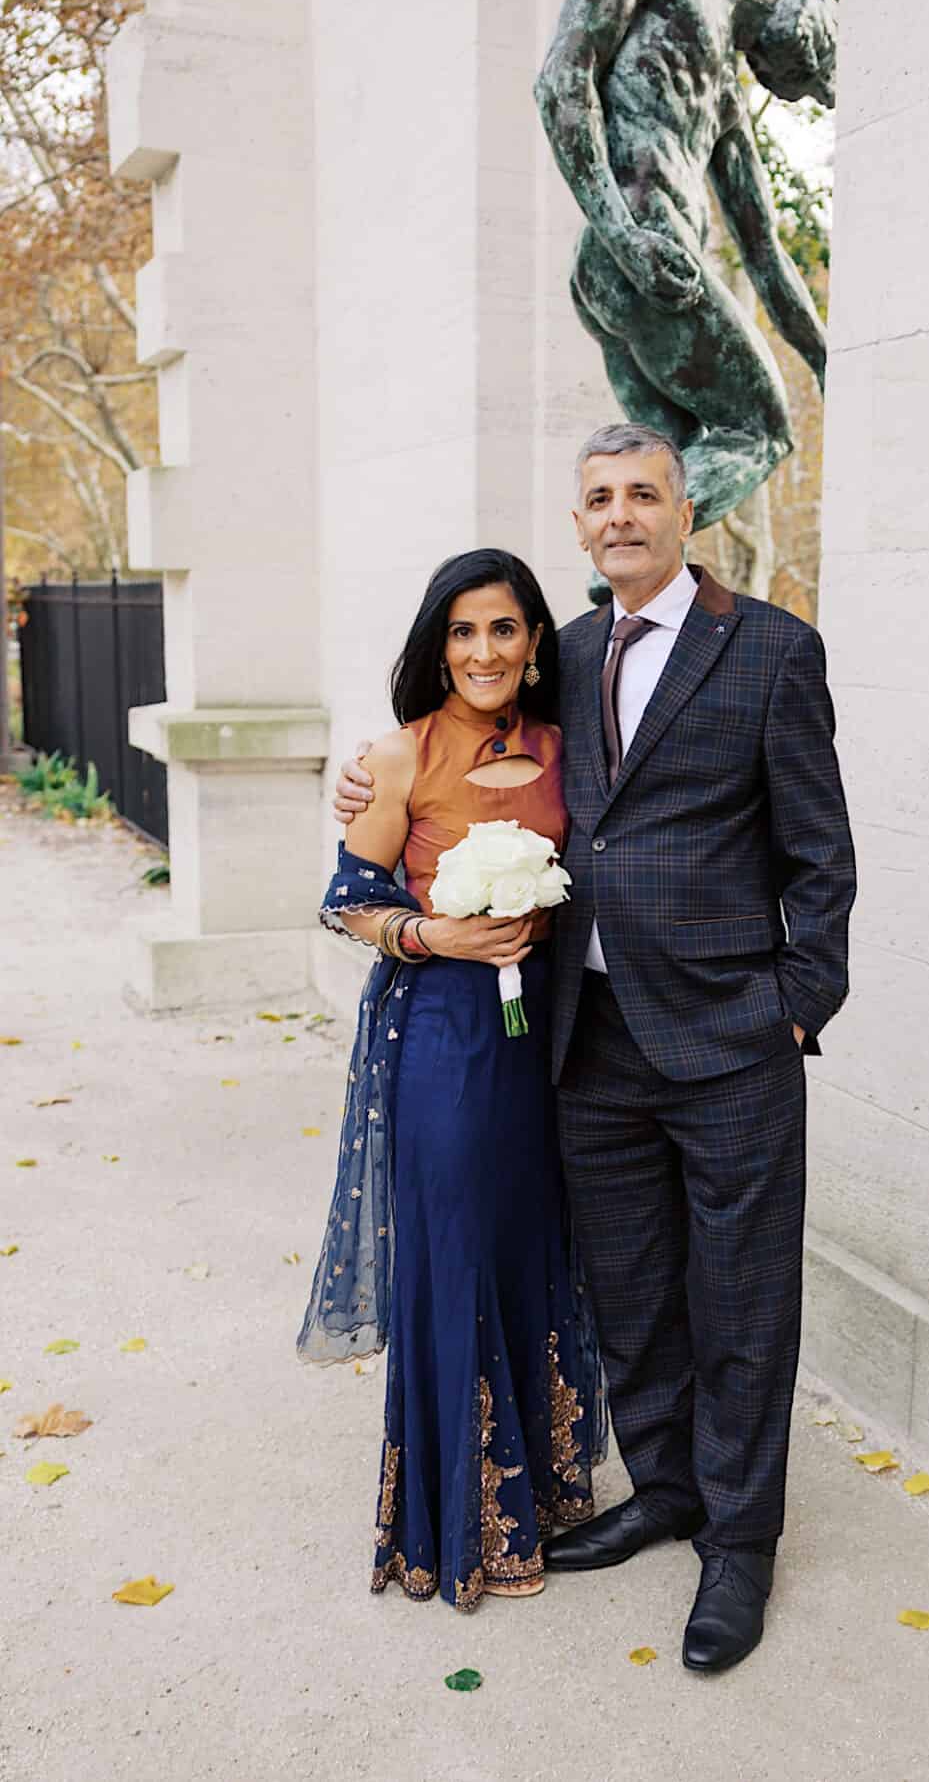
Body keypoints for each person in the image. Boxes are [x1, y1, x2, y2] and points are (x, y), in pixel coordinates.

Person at [334, 421, 857, 1671]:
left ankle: (740, 1543)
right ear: (578, 525)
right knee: (630, 1287)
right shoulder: (560, 654)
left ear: (685, 511)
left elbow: (820, 851)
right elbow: (466, 751)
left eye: (642, 493)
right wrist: (367, 780)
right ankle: (664, 1487)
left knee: (741, 1298)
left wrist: (798, 1002)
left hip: (730, 1033)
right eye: (599, 497)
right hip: (585, 1033)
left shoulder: (771, 648)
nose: (620, 513)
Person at [304, 547, 610, 1610]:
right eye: (464, 631)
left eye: (504, 628)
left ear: (534, 643)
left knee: (531, 1242)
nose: (485, 650)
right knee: (457, 1252)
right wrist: (434, 932)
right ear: (440, 646)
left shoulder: (571, 748)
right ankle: (456, 1521)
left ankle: (542, 1489)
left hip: (546, 1039)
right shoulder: (397, 757)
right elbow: (348, 898)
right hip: (443, 1036)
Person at [534, 0, 832, 538]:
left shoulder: (722, 94)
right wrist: (625, 236)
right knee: (759, 432)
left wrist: (829, 360)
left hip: (625, 272)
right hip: (646, 252)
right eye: (817, 58)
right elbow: (561, 81)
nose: (808, 81)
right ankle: (617, 551)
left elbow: (765, 252)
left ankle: (622, 590)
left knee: (666, 463)